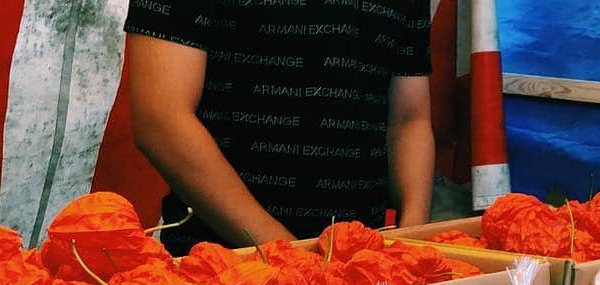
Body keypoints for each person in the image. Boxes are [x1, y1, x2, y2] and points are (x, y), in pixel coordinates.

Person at [125, 1, 435, 256]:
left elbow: (410, 120)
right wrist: (288, 255)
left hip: (362, 269)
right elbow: (160, 118)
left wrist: (414, 233)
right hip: (222, 268)